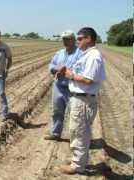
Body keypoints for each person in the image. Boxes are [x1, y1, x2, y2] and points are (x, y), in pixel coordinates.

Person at [60, 27, 106, 174]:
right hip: (80, 99)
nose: (77, 41)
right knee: (76, 130)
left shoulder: (93, 56)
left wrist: (70, 75)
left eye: (80, 38)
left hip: (84, 100)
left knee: (80, 132)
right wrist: (70, 72)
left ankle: (77, 166)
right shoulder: (88, 54)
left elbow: (88, 79)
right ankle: (78, 159)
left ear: (89, 39)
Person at [44, 30, 81, 141]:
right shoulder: (59, 53)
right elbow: (51, 64)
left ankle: (77, 138)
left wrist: (65, 70)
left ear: (73, 40)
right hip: (58, 86)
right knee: (57, 111)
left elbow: (81, 70)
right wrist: (55, 68)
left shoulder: (80, 53)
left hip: (73, 88)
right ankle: (55, 133)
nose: (65, 41)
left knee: (75, 114)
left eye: (68, 39)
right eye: (63, 39)